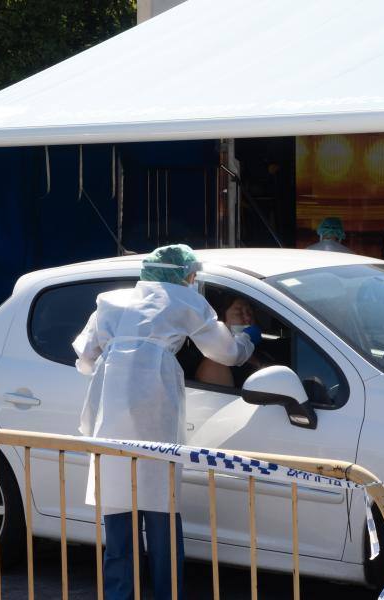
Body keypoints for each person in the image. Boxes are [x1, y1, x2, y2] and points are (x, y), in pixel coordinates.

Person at [72, 244, 260, 600]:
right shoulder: (185, 300)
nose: (193, 280)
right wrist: (246, 335)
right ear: (184, 275)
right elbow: (227, 353)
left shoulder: (109, 301)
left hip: (109, 416)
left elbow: (84, 359)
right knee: (160, 510)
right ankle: (166, 593)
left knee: (118, 514)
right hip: (154, 410)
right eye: (192, 275)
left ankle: (119, 594)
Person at [196, 296, 264, 387]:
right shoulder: (215, 365)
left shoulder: (259, 351)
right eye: (239, 313)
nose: (247, 318)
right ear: (222, 321)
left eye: (249, 312)